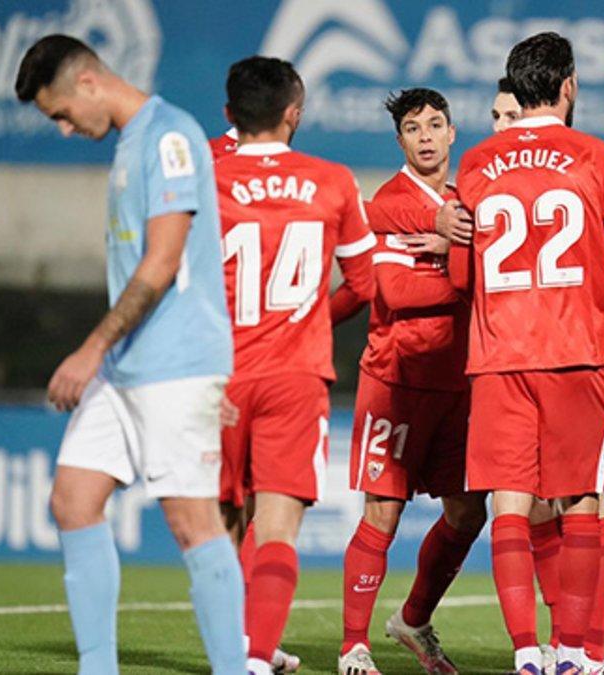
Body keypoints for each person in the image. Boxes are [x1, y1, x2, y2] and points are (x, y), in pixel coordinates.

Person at [451, 31, 604, 675]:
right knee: (581, 500)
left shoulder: (473, 164)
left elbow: (457, 274)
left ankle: (526, 653)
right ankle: (576, 654)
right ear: (569, 86)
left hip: (498, 357)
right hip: (577, 354)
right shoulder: (598, 157)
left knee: (509, 502)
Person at [14, 34, 244, 674]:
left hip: (174, 362)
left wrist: (90, 349)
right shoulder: (130, 144)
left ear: (88, 82)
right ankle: (98, 669)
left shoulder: (168, 136)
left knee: (192, 522)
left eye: (60, 113)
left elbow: (164, 263)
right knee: (73, 500)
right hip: (129, 365)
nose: (63, 129)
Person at [213, 55, 376, 675]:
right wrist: (308, 317)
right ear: (294, 114)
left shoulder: (207, 180)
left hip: (219, 377)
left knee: (224, 525)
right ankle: (255, 661)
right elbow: (364, 284)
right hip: (296, 379)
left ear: (230, 116)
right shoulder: (334, 180)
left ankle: (237, 651)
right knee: (278, 527)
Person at [333, 87, 486, 675]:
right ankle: (353, 647)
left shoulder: (468, 200)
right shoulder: (390, 202)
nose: (426, 136)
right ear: (401, 140)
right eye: (414, 127)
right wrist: (463, 270)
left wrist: (448, 249)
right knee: (383, 512)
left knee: (470, 513)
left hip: (460, 384)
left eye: (435, 124)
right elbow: (395, 292)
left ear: (452, 133)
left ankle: (414, 620)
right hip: (396, 380)